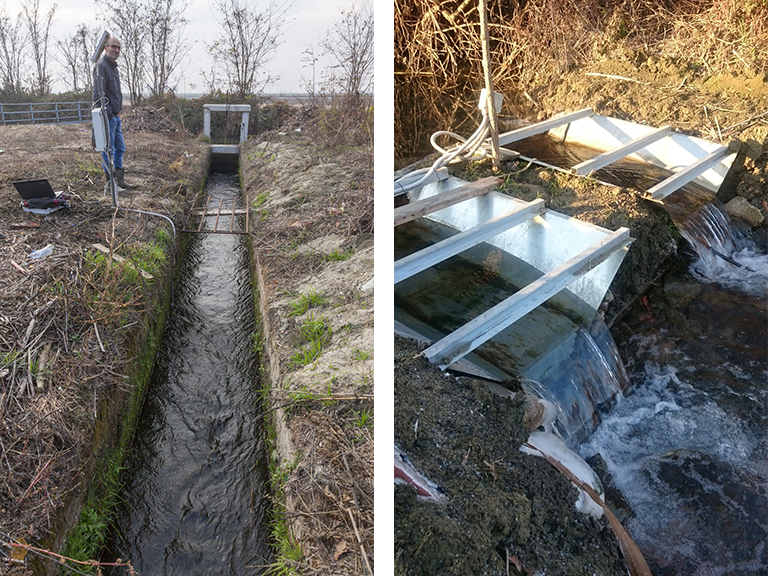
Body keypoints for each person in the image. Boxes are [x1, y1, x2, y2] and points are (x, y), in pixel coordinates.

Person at [93, 36, 136, 191]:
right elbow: (99, 95)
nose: (116, 50)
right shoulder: (101, 67)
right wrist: (110, 114)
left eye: (119, 48)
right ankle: (110, 183)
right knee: (108, 150)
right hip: (108, 118)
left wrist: (117, 114)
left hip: (116, 117)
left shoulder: (113, 67)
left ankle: (119, 180)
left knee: (120, 148)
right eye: (113, 47)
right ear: (106, 48)